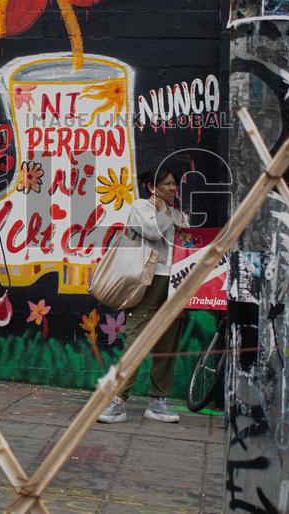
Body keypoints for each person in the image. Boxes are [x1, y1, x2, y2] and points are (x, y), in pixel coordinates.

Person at [98, 166, 188, 424]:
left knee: (168, 342)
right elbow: (152, 232)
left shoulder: (178, 213)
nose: (173, 188)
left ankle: (158, 402)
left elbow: (187, 241)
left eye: (174, 184)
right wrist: (165, 212)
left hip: (176, 282)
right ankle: (118, 401)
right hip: (149, 281)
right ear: (151, 187)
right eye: (167, 183)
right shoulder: (141, 207)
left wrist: (173, 215)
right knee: (136, 339)